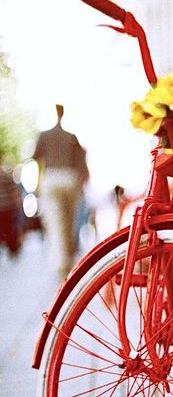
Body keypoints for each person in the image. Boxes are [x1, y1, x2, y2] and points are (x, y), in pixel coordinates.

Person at [33, 104, 89, 277]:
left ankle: (61, 263)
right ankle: (69, 258)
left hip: (51, 179)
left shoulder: (44, 135)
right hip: (70, 179)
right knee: (69, 222)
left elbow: (36, 158)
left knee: (56, 223)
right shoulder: (71, 137)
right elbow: (82, 164)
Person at [0, 150, 22, 256]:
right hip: (7, 207)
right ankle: (12, 249)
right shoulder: (5, 174)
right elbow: (14, 190)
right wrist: (18, 204)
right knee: (8, 229)